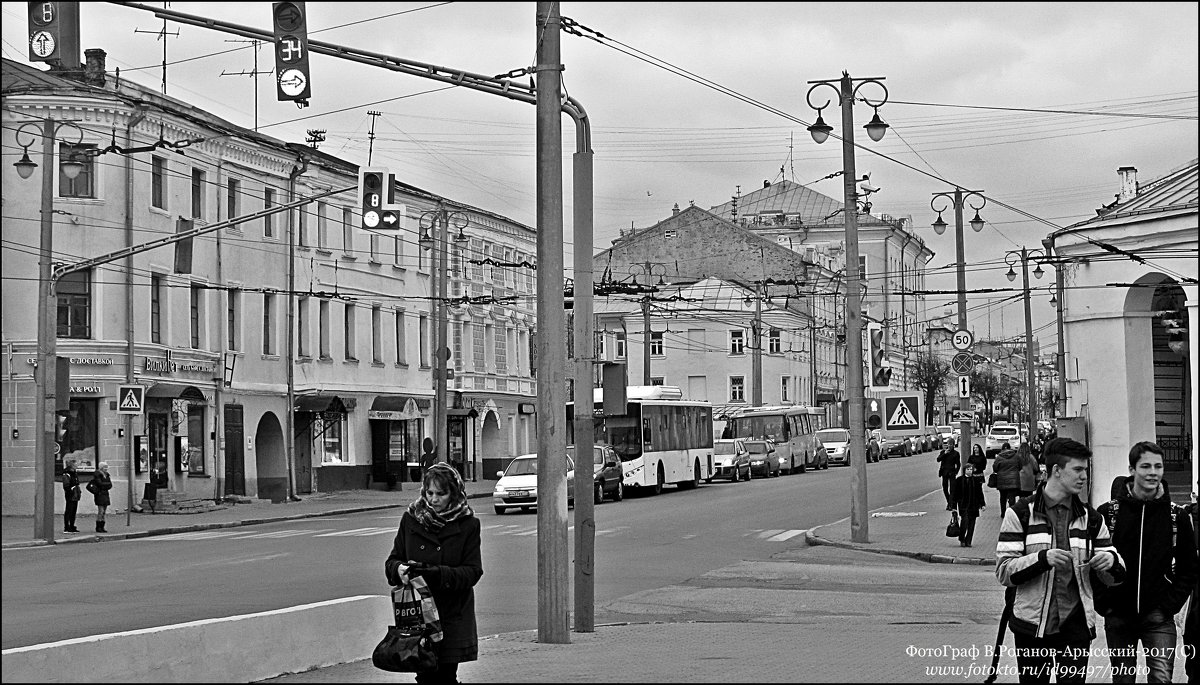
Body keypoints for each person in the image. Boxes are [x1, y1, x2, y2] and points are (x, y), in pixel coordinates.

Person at [995, 437, 1125, 684]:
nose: (1084, 476)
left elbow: (1115, 569)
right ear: (1056, 470)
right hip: (1032, 627)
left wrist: (1109, 562)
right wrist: (1043, 559)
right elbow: (1004, 572)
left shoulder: (1092, 519)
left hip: (1075, 627)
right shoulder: (1021, 514)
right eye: (1077, 469)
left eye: (1085, 470)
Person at [1095, 442, 1197, 683]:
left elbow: (1189, 568)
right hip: (1119, 616)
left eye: (1158, 466)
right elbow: (1094, 563)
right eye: (1146, 466)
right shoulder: (1109, 513)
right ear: (1132, 469)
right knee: (1123, 679)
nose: (1153, 472)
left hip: (1158, 617)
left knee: (1161, 679)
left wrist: (1169, 605)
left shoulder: (1176, 516)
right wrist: (1105, 603)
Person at [385, 462, 482, 684]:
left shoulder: (468, 524)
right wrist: (398, 569)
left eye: (441, 494)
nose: (434, 499)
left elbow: (473, 572)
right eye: (430, 493)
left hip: (450, 616)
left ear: (454, 494)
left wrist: (436, 573)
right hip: (418, 615)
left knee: (445, 675)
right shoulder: (411, 519)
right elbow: (392, 561)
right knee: (425, 676)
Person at [953, 462, 986, 547]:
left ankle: (968, 540)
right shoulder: (959, 480)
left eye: (971, 469)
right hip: (963, 505)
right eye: (968, 469)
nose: (969, 471)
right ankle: (962, 538)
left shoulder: (976, 480)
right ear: (964, 470)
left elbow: (979, 493)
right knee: (965, 522)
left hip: (974, 505)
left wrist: (982, 504)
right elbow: (955, 494)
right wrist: (953, 506)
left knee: (972, 524)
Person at [991, 443, 1023, 517]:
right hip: (1013, 480)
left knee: (1003, 497)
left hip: (1002, 480)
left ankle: (1003, 513)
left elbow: (995, 468)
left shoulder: (999, 457)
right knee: (1012, 497)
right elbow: (1020, 466)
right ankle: (1012, 513)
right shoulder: (1016, 456)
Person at [85, 461, 113, 533]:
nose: (106, 469)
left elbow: (110, 485)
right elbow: (100, 483)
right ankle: (98, 527)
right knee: (101, 511)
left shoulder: (107, 475)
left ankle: (102, 526)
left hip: (105, 494)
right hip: (99, 494)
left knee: (104, 511)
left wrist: (105, 485)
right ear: (101, 468)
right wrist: (105, 485)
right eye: (105, 467)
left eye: (107, 467)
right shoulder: (97, 475)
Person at [936, 439, 961, 511]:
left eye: (951, 444)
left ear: (953, 445)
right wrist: (944, 453)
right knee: (945, 488)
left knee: (952, 489)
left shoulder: (956, 453)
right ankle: (949, 502)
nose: (949, 446)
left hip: (952, 472)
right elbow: (938, 459)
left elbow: (958, 464)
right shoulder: (943, 452)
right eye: (948, 444)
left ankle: (951, 504)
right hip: (944, 473)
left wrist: (956, 472)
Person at [61, 459, 81, 533]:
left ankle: (72, 525)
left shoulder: (74, 473)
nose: (77, 466)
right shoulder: (67, 474)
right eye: (76, 464)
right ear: (72, 465)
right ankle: (67, 527)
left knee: (73, 511)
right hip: (70, 494)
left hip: (75, 494)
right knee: (69, 510)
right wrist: (71, 490)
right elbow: (66, 485)